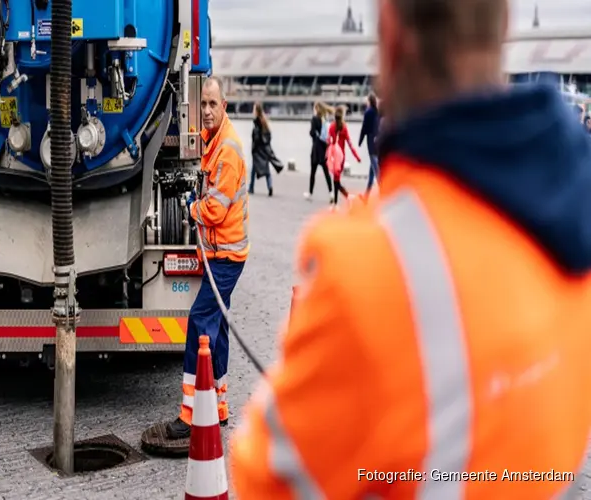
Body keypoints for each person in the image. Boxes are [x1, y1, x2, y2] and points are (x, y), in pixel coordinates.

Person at [231, 0, 591, 498]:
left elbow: (264, 480)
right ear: (504, 24)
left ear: (392, 38)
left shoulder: (371, 267)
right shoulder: (571, 210)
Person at [166, 76, 249, 439]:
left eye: (214, 104)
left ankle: (190, 413)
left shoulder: (227, 149)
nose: (207, 110)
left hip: (227, 257)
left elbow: (215, 209)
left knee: (200, 322)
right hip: (223, 253)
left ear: (224, 106)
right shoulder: (212, 141)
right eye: (203, 104)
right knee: (218, 328)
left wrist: (191, 209)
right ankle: (218, 405)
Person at [326, 105, 361, 209]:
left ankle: (347, 197)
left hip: (333, 158)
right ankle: (337, 203)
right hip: (341, 158)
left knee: (336, 181)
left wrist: (326, 155)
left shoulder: (331, 127)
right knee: (336, 180)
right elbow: (350, 144)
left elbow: (328, 141)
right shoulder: (344, 128)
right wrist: (357, 156)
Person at [304, 102, 334, 203]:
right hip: (324, 149)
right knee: (326, 173)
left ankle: (310, 193)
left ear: (316, 108)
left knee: (313, 172)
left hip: (316, 149)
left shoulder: (314, 119)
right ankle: (331, 193)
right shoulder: (324, 119)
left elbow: (312, 132)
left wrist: (312, 133)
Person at [249, 102, 275, 196]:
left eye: (253, 109)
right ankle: (270, 186)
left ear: (256, 111)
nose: (252, 111)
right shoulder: (264, 121)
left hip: (257, 150)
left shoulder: (256, 121)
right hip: (264, 150)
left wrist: (253, 148)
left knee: (253, 169)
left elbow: (256, 137)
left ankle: (251, 188)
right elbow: (268, 135)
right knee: (266, 170)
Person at [359, 92, 381, 200]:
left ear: (369, 101)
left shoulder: (368, 112)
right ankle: (366, 196)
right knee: (372, 170)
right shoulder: (377, 112)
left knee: (376, 169)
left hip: (371, 144)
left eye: (367, 100)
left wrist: (360, 140)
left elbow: (364, 128)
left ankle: (384, 192)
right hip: (377, 142)